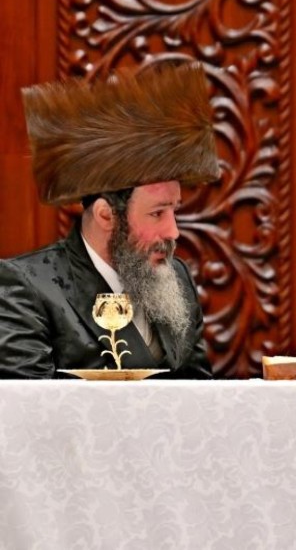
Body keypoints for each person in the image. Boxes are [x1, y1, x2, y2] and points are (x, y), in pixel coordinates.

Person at [0, 61, 221, 379]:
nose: (173, 231)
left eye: (174, 210)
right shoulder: (27, 285)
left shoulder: (177, 277)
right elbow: (31, 404)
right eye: (157, 213)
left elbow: (200, 388)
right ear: (106, 215)